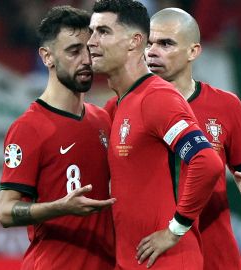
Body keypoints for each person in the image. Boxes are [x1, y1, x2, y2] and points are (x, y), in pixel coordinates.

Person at [88, 0, 224, 269]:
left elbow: (207, 162)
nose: (91, 41)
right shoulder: (120, 104)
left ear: (134, 41)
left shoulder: (156, 99)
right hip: (134, 261)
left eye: (103, 32)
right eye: (91, 32)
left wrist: (175, 230)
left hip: (168, 262)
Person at [143, 8, 241, 269]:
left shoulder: (226, 105)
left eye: (166, 43)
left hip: (213, 254)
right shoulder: (125, 107)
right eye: (149, 43)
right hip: (150, 252)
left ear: (193, 51)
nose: (153, 52)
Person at [0, 6, 116, 270]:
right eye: (74, 51)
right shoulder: (29, 128)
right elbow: (5, 211)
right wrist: (60, 207)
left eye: (90, 49)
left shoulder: (103, 120)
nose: (86, 60)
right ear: (47, 57)